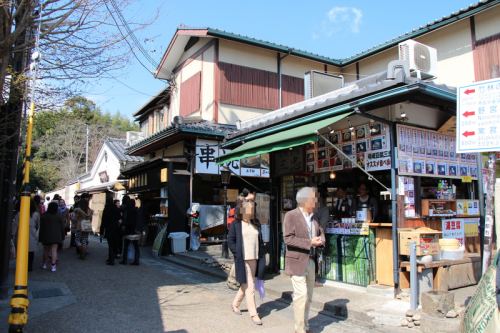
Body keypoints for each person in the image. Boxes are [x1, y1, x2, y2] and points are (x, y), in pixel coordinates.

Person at [283, 187, 325, 333]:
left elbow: (320, 232)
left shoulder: (315, 216)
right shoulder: (291, 215)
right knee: (301, 296)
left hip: (312, 261)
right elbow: (288, 239)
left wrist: (321, 241)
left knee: (309, 297)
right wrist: (310, 243)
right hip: (296, 261)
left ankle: (305, 325)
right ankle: (299, 329)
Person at [228, 199, 266, 325]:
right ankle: (254, 314)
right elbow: (230, 241)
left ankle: (235, 304)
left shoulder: (256, 223)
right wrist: (237, 254)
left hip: (255, 258)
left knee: (245, 285)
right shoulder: (236, 224)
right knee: (250, 286)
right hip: (243, 259)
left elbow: (260, 240)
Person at [12, 198, 40, 271]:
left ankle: (21, 265)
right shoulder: (35, 214)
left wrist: (13, 234)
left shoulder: (19, 214)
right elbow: (37, 225)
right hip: (31, 233)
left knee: (21, 251)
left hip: (21, 233)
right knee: (31, 251)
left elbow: (15, 225)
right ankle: (29, 265)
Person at [39, 202, 65, 272]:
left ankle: (44, 263)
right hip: (56, 236)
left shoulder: (44, 216)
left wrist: (40, 237)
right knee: (54, 250)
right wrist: (63, 237)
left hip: (46, 235)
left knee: (46, 250)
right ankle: (53, 265)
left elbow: (41, 228)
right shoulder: (58, 216)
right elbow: (62, 228)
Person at [100, 196, 122, 265]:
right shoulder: (116, 209)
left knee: (110, 245)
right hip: (116, 228)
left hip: (109, 228)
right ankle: (111, 257)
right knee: (114, 244)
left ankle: (111, 259)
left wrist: (101, 231)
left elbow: (103, 221)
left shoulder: (106, 209)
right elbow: (119, 218)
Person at [120, 199, 140, 265]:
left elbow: (130, 223)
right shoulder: (137, 211)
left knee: (126, 246)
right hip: (136, 231)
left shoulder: (130, 212)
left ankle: (124, 260)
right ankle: (136, 260)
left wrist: (122, 223)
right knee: (136, 246)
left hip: (130, 231)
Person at [73, 193, 93, 259]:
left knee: (77, 240)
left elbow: (75, 219)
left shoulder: (78, 210)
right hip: (87, 226)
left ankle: (83, 250)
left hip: (80, 226)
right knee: (84, 240)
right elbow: (91, 219)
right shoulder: (89, 211)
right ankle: (83, 253)